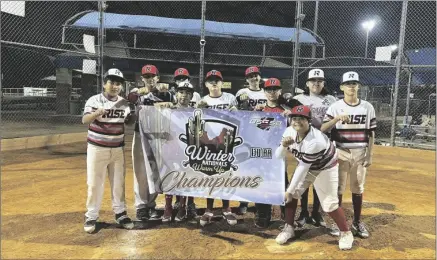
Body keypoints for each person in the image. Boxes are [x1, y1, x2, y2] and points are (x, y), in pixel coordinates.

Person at [275, 105, 354, 250]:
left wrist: (289, 190)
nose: (297, 121)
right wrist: (282, 145)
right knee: (292, 194)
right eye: (294, 118)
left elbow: (303, 168)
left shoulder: (315, 140)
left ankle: (346, 233)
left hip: (325, 168)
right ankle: (289, 228)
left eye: (301, 119)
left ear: (309, 121)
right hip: (307, 164)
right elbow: (278, 156)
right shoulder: (289, 131)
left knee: (329, 204)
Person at [321, 71, 376, 238]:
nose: (351, 86)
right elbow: (323, 129)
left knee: (358, 187)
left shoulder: (367, 107)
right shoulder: (335, 107)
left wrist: (370, 155)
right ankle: (339, 223)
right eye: (348, 84)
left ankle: (357, 222)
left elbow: (371, 133)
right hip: (340, 151)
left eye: (354, 83)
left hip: (360, 151)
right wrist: (337, 118)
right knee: (338, 188)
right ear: (342, 87)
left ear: (358, 86)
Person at [82, 68, 135, 233]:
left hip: (117, 150)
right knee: (94, 183)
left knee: (118, 183)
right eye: (111, 82)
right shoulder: (94, 100)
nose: (115, 86)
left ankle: (120, 213)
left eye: (118, 83)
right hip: (97, 149)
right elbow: (84, 120)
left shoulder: (124, 103)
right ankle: (91, 215)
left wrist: (134, 107)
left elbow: (129, 122)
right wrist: (95, 114)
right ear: (104, 84)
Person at [253, 78, 301, 228]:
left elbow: (298, 127)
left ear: (280, 91)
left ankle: (286, 214)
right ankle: (263, 213)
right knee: (261, 182)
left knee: (282, 183)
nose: (272, 92)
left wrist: (291, 115)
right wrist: (254, 115)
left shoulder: (285, 111)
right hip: (261, 153)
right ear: (264, 92)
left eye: (275, 89)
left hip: (279, 154)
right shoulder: (259, 111)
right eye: (269, 89)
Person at [292, 69, 337, 227]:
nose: (316, 83)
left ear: (323, 83)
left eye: (319, 80)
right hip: (305, 143)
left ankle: (316, 212)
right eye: (313, 80)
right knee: (304, 176)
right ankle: (304, 212)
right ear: (307, 83)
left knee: (320, 178)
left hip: (324, 143)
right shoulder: (298, 99)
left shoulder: (331, 99)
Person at [131, 64, 175, 222]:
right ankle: (141, 206)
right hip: (140, 135)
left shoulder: (166, 94)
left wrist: (165, 91)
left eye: (152, 76)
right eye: (146, 77)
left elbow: (173, 102)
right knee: (141, 171)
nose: (150, 79)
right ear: (142, 79)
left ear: (158, 78)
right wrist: (145, 91)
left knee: (156, 170)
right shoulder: (137, 93)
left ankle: (151, 204)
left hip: (158, 136)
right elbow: (130, 99)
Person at [196, 70, 239, 226]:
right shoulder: (203, 100)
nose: (214, 83)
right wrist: (197, 109)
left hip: (227, 140)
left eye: (217, 80)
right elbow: (196, 123)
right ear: (206, 84)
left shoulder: (230, 98)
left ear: (222, 83)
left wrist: (237, 112)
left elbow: (240, 120)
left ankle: (226, 209)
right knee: (209, 175)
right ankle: (208, 210)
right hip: (208, 142)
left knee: (226, 175)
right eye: (211, 81)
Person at [161, 81, 198, 222]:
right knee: (170, 177)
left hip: (187, 151)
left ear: (192, 96)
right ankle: (168, 207)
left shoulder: (195, 112)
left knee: (184, 178)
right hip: (171, 150)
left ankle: (182, 208)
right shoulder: (169, 111)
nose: (184, 95)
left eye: (188, 93)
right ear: (176, 94)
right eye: (181, 92)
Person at [234, 66, 268, 214]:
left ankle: (260, 199)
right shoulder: (242, 93)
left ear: (259, 77)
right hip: (247, 134)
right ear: (247, 79)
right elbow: (234, 112)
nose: (254, 78)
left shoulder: (266, 92)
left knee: (262, 168)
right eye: (251, 76)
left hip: (264, 134)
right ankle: (244, 201)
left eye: (256, 75)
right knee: (245, 168)